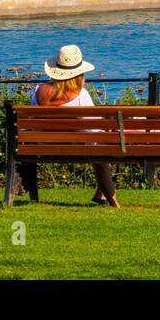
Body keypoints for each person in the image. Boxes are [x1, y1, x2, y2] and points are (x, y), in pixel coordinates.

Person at [20, 44, 119, 208]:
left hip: (43, 149)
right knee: (105, 146)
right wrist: (107, 130)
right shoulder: (81, 95)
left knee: (102, 146)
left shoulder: (38, 91)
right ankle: (112, 200)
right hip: (78, 148)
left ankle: (100, 194)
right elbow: (93, 129)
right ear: (79, 73)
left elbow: (31, 123)